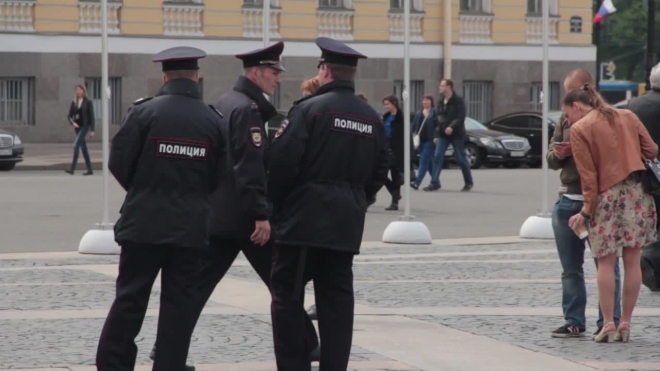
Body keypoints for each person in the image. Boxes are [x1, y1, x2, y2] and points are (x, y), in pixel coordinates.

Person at [146, 42, 320, 368]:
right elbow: (248, 166)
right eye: (273, 72)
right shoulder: (247, 110)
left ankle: (165, 349)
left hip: (219, 215)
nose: (277, 79)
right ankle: (308, 344)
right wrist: (261, 214)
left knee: (196, 287)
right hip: (245, 219)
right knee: (282, 282)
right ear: (255, 73)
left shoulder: (226, 102)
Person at [95, 46, 226, 371]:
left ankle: (113, 365)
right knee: (179, 307)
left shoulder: (144, 113)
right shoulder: (213, 120)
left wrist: (144, 191)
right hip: (189, 229)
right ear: (197, 77)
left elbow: (119, 162)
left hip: (143, 225)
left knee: (129, 300)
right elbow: (219, 176)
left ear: (164, 77)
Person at [267, 37, 389, 371]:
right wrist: (358, 200)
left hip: (303, 225)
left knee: (287, 298)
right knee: (336, 302)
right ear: (351, 75)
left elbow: (281, 164)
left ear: (324, 70)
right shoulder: (372, 118)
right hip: (345, 224)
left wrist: (279, 206)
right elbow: (381, 169)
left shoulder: (308, 111)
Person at [564, 83, 658, 343]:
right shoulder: (628, 116)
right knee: (632, 259)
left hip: (606, 196)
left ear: (577, 106)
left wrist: (585, 211)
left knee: (605, 262)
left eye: (567, 113)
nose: (566, 119)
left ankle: (607, 323)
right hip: (638, 193)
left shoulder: (580, 129)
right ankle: (625, 322)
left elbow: (588, 177)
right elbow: (651, 150)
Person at [547, 69, 622, 339]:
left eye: (572, 91)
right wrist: (561, 152)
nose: (567, 100)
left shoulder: (607, 119)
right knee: (570, 269)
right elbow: (550, 156)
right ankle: (574, 320)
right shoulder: (566, 121)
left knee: (607, 265)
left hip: (599, 202)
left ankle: (609, 320)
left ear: (585, 90)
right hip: (568, 197)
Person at [627, 62, 660, 291]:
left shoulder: (634, 104)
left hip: (638, 173)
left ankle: (647, 258)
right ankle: (649, 258)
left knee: (650, 220)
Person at [425, 79, 473, 192]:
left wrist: (451, 126)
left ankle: (468, 182)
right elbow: (439, 117)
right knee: (437, 157)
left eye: (442, 85)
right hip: (443, 133)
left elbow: (461, 117)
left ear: (449, 87)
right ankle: (434, 183)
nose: (440, 87)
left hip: (456, 133)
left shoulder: (458, 100)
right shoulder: (441, 101)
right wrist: (439, 132)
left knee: (461, 158)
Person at [65, 84, 95, 175]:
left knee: (76, 144)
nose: (78, 92)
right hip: (77, 127)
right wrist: (72, 123)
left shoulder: (88, 102)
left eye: (80, 90)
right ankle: (90, 169)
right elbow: (69, 115)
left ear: (84, 91)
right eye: (77, 90)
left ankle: (72, 169)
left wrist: (92, 130)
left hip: (85, 126)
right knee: (83, 148)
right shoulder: (74, 102)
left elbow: (92, 116)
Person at [382, 95, 405, 211]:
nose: (386, 106)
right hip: (386, 147)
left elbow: (405, 136)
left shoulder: (401, 118)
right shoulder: (385, 117)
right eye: (385, 104)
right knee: (381, 174)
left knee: (396, 176)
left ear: (394, 103)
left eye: (387, 104)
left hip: (397, 149)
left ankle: (394, 202)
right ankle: (394, 193)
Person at [411, 95, 438, 190]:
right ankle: (436, 182)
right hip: (420, 141)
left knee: (423, 161)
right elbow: (413, 126)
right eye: (424, 100)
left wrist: (436, 136)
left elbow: (438, 125)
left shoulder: (434, 113)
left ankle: (417, 182)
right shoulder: (419, 113)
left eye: (427, 100)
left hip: (430, 141)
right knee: (429, 162)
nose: (425, 102)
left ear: (431, 102)